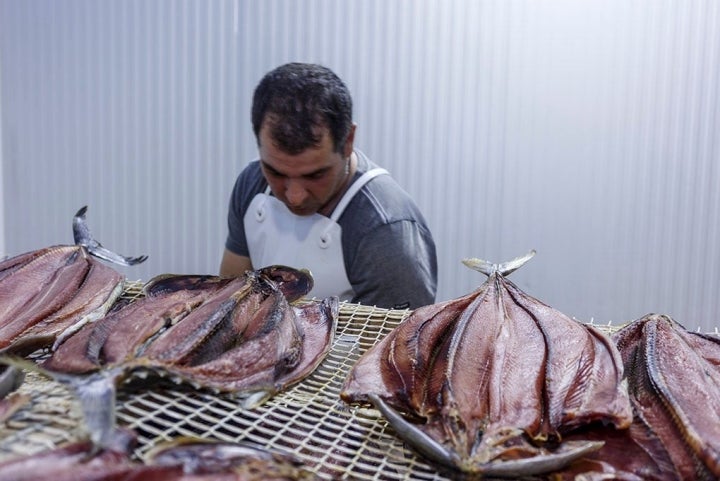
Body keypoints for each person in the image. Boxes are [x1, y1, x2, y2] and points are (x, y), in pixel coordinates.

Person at [220, 62, 437, 309]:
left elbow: (399, 345)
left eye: (315, 175)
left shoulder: (386, 232)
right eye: (276, 172)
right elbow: (230, 304)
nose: (295, 196)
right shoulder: (251, 182)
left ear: (348, 141)